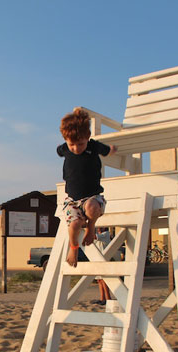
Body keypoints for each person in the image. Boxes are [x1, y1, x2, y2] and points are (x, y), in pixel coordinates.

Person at [57, 108, 117, 267]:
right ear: (66, 140)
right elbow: (59, 150)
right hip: (72, 201)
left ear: (88, 138)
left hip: (93, 197)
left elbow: (106, 150)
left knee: (91, 207)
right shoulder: (65, 148)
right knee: (74, 224)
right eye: (72, 145)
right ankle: (74, 247)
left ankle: (91, 227)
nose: (76, 148)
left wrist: (112, 150)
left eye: (80, 144)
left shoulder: (94, 146)